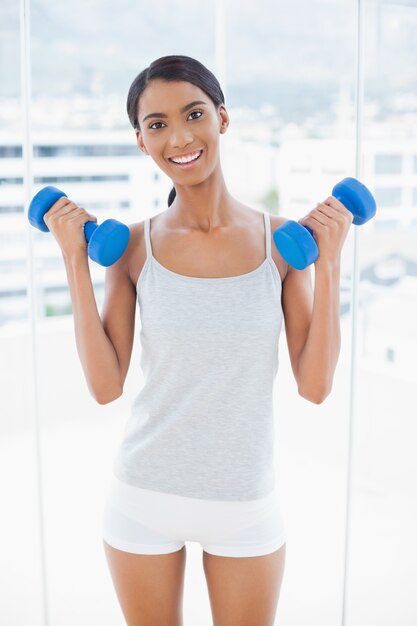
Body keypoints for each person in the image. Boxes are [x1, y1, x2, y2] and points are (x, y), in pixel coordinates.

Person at [43, 54, 352, 626]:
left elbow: (314, 387)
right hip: (143, 496)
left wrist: (328, 264)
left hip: (244, 503)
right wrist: (72, 261)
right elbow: (106, 387)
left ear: (223, 120)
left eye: (194, 114)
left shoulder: (284, 244)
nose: (179, 137)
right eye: (157, 124)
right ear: (141, 142)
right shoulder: (133, 247)